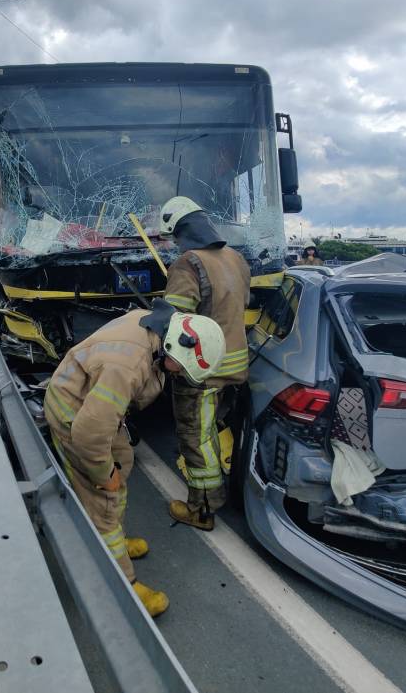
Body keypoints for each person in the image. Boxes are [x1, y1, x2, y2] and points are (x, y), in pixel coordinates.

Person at [44, 300, 226, 617]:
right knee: (103, 496)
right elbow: (89, 435)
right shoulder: (127, 367)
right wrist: (103, 474)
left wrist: (114, 469)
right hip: (74, 416)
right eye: (182, 368)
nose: (181, 375)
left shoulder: (156, 326)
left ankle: (113, 535)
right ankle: (124, 585)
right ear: (173, 347)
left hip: (92, 407)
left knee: (122, 463)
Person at [158, 196, 251, 531]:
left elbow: (178, 320)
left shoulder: (188, 262)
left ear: (181, 231)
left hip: (200, 369)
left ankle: (203, 509)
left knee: (196, 438)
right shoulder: (236, 258)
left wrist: (169, 359)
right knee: (212, 430)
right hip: (236, 364)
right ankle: (221, 490)